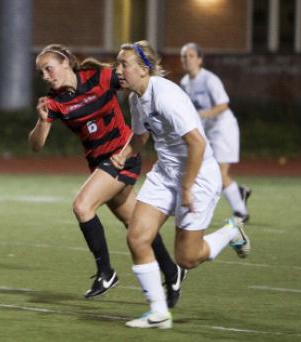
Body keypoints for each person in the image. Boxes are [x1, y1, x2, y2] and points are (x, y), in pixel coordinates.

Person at [29, 44, 186, 305]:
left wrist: (161, 113)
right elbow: (36, 145)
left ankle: (106, 272)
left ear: (66, 62)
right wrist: (40, 119)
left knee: (82, 206)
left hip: (122, 156)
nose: (45, 75)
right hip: (99, 164)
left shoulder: (101, 78)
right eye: (41, 72)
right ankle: (172, 272)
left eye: (49, 68)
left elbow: (138, 82)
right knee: (137, 226)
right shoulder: (54, 103)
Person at [111, 40, 250, 329]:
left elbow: (197, 143)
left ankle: (230, 231)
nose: (118, 70)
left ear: (144, 68)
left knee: (187, 258)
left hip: (197, 175)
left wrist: (186, 188)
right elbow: (141, 136)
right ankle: (158, 312)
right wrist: (124, 154)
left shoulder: (166, 97)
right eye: (117, 64)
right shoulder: (136, 98)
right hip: (165, 173)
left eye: (124, 64)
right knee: (137, 237)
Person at [180, 42, 251, 223]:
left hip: (223, 129)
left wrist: (200, 115)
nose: (187, 59)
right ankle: (238, 192)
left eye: (191, 56)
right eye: (184, 56)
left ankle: (241, 212)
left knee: (220, 173)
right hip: (207, 132)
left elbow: (223, 104)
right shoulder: (185, 82)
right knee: (206, 170)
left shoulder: (210, 80)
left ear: (200, 59)